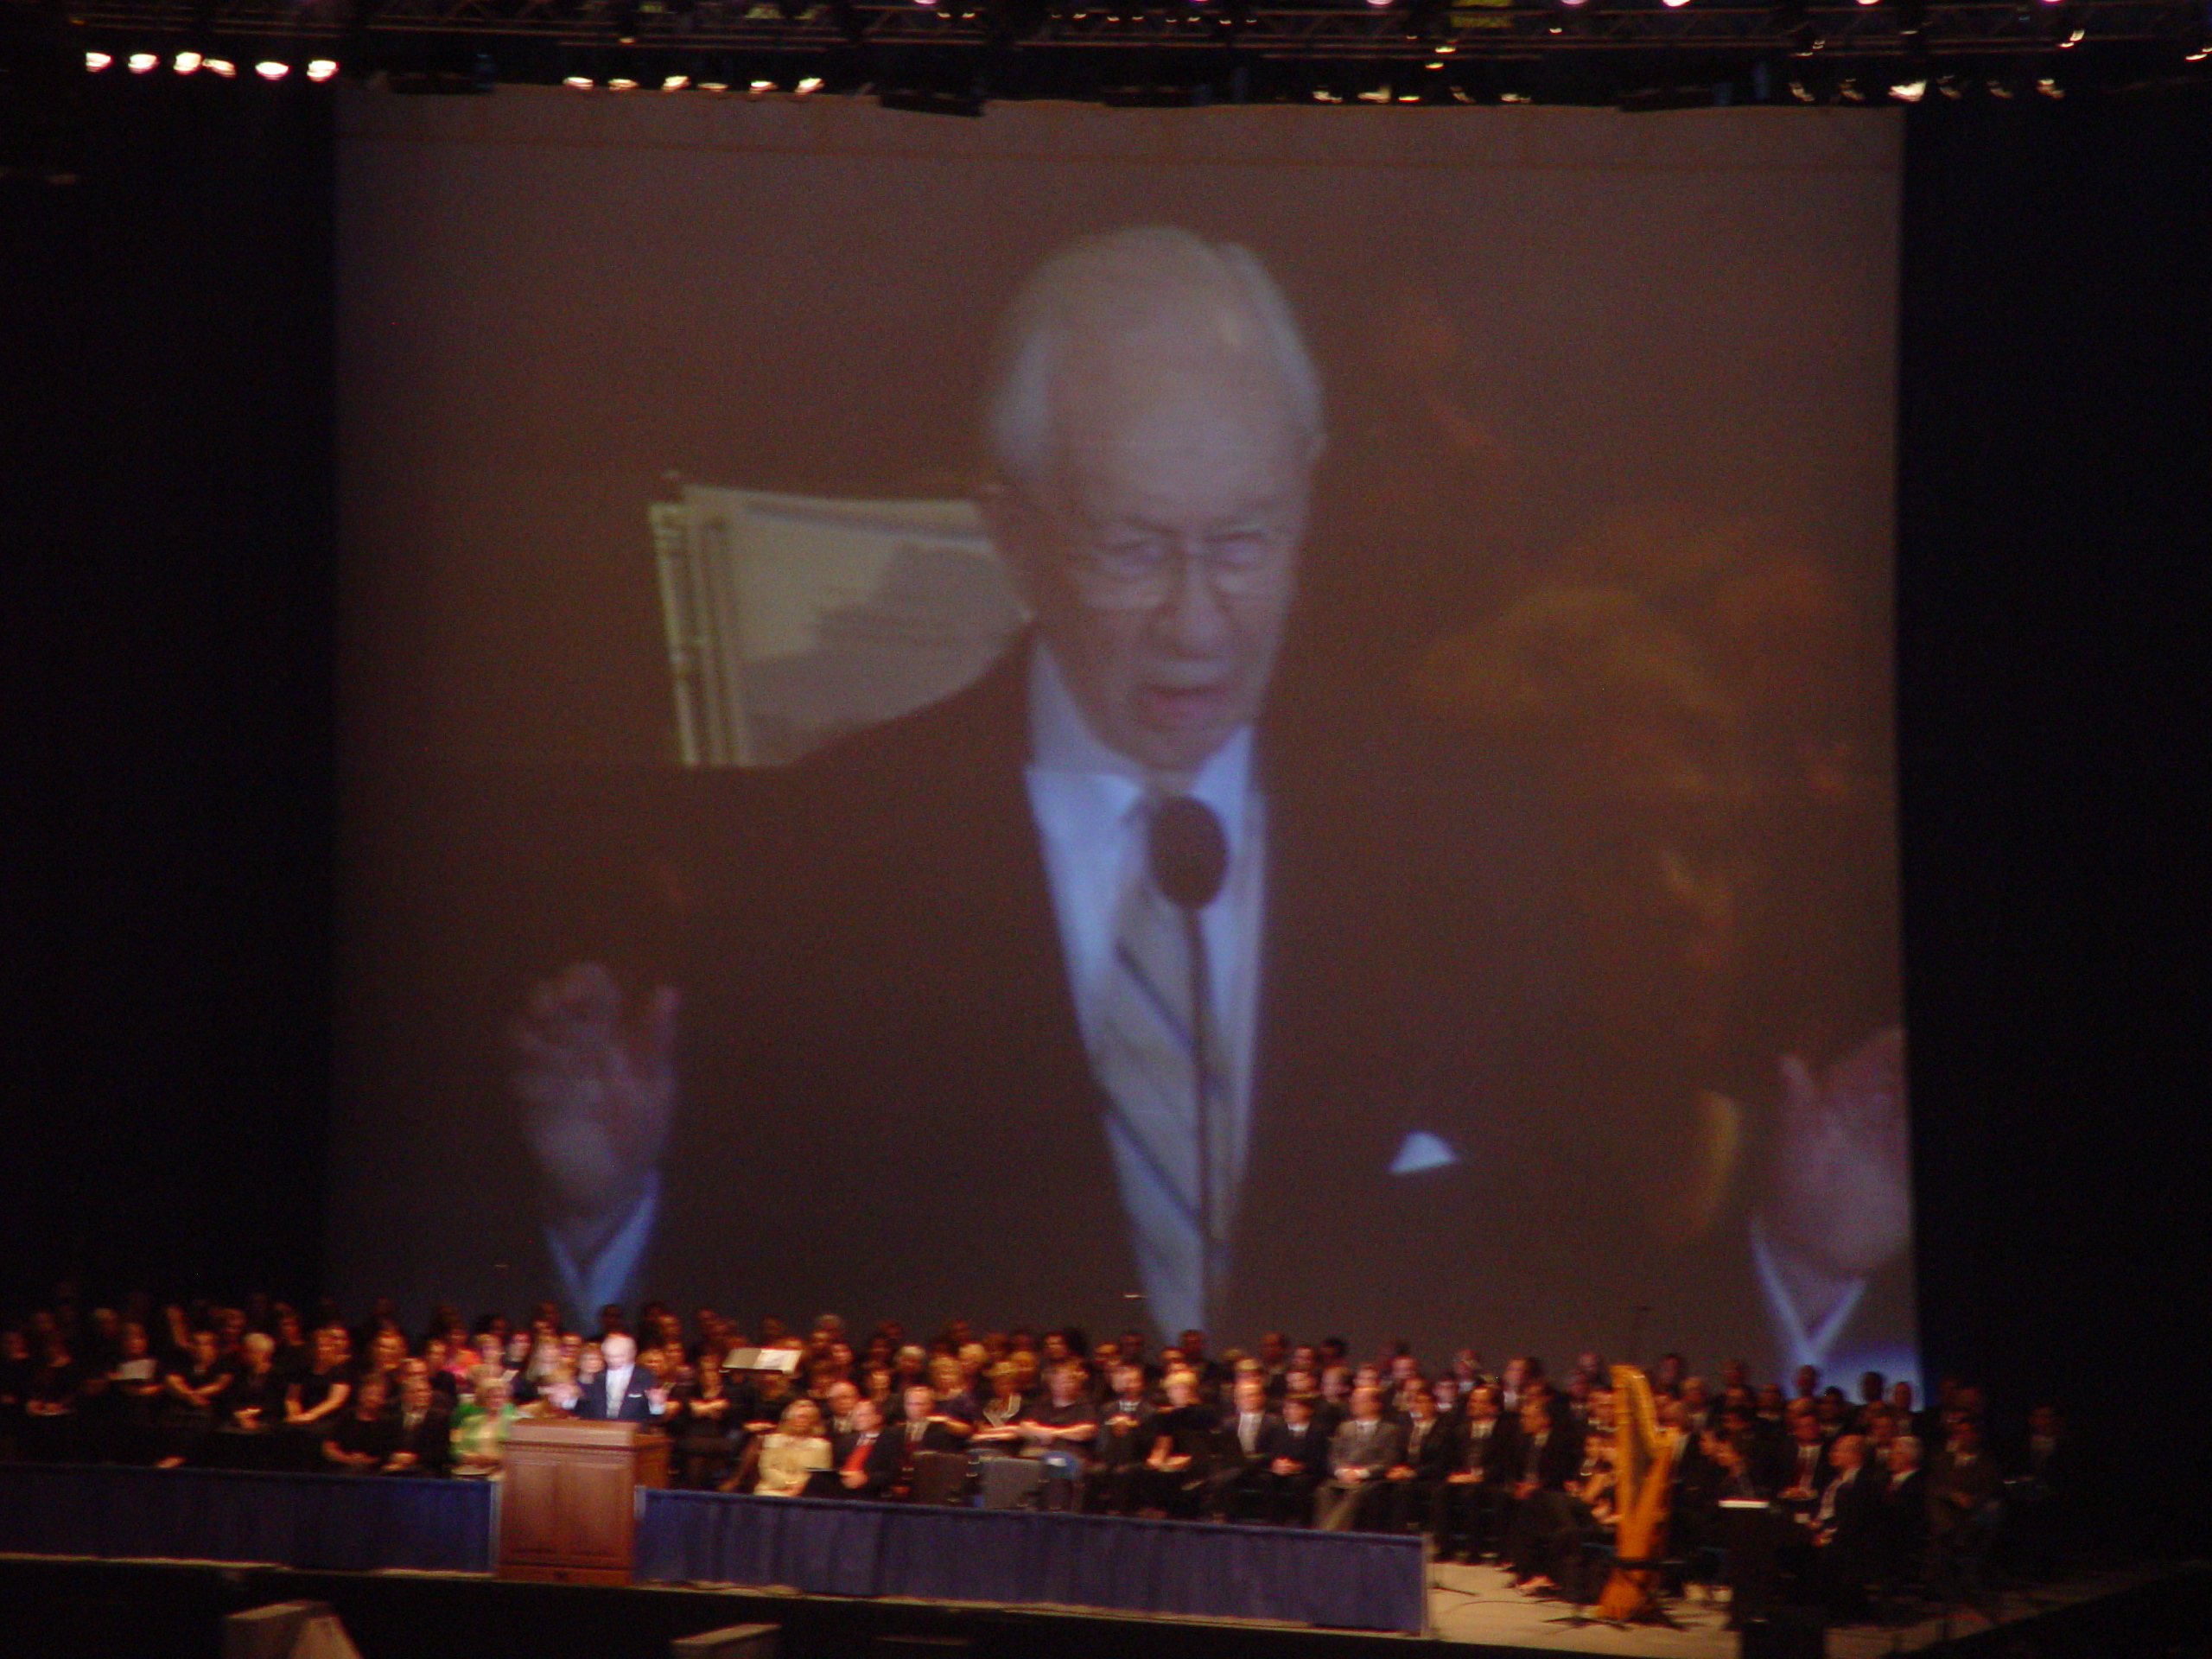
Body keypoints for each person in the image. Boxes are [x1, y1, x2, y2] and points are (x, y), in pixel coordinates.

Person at [507, 226, 1910, 1376]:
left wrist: (1794, 1258)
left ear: (1306, 503)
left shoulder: (1467, 837)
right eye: (1134, 548)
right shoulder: (830, 858)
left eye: (1244, 545)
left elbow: (1571, 1293)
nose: (1197, 626)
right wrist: (611, 1210)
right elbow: (736, 1329)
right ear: (1015, 530)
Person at [753, 1398, 831, 1497]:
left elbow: (818, 1475)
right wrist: (788, 1484)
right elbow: (766, 1468)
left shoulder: (822, 1446)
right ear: (788, 1419)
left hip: (804, 1492)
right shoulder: (772, 1440)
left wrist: (798, 1487)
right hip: (771, 1489)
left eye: (806, 1417)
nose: (802, 1421)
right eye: (798, 1417)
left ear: (813, 1421)